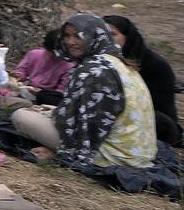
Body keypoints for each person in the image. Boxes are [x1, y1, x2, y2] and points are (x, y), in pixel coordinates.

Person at [11, 14, 156, 169]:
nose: (70, 42)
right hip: (139, 153)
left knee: (20, 116)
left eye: (78, 36)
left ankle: (57, 151)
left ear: (94, 36)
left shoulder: (92, 70)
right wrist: (51, 111)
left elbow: (88, 129)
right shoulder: (116, 63)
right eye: (67, 36)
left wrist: (63, 151)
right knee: (42, 112)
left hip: (112, 156)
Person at [104, 15, 184, 147]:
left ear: (127, 37)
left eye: (112, 34)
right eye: (102, 34)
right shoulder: (99, 61)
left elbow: (156, 109)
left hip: (150, 122)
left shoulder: (154, 65)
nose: (106, 39)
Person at [12, 28, 74, 107]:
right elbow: (22, 70)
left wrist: (41, 94)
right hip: (27, 90)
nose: (54, 56)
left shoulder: (68, 66)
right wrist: (18, 75)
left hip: (47, 100)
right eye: (51, 52)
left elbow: (60, 93)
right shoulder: (34, 54)